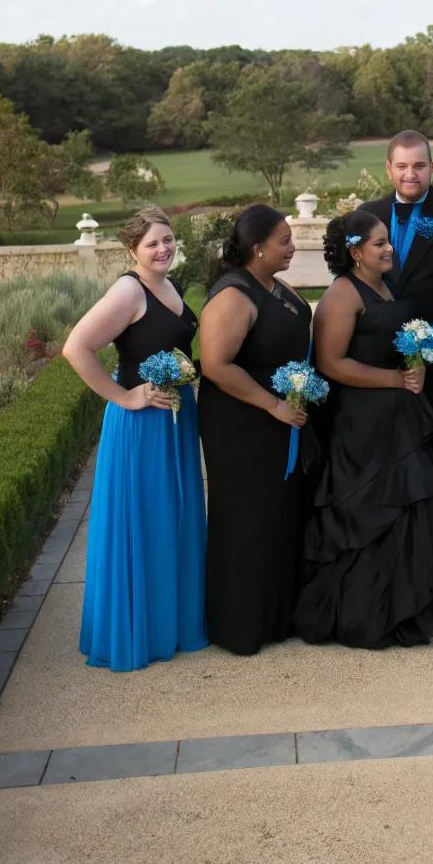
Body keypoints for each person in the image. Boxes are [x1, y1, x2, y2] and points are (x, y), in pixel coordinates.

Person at [293, 208, 433, 648]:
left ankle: (412, 599)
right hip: (362, 422)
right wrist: (394, 378)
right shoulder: (342, 295)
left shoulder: (385, 286)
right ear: (355, 252)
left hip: (401, 416)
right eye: (379, 243)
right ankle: (368, 609)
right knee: (373, 510)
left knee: (409, 505)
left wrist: (416, 364)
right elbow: (331, 363)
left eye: (387, 240)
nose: (390, 248)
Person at [63, 206, 207, 671]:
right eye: (152, 244)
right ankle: (138, 632)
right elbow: (76, 348)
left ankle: (172, 624)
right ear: (132, 250)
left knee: (174, 518)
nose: (163, 249)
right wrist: (124, 398)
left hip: (175, 420)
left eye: (167, 240)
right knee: (144, 522)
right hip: (142, 425)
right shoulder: (129, 290)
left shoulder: (171, 285)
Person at [360, 128, 433, 574]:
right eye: (402, 166)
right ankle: (396, 550)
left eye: (420, 165)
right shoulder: (366, 215)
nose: (411, 174)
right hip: (379, 362)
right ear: (389, 168)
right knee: (388, 456)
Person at [197, 205, 313, 656]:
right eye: (283, 240)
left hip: (278, 418)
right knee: (247, 520)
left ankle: (276, 616)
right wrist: (274, 405)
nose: (292, 246)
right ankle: (240, 626)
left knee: (277, 517)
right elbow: (216, 366)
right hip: (243, 423)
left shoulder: (272, 284)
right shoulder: (233, 295)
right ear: (258, 248)